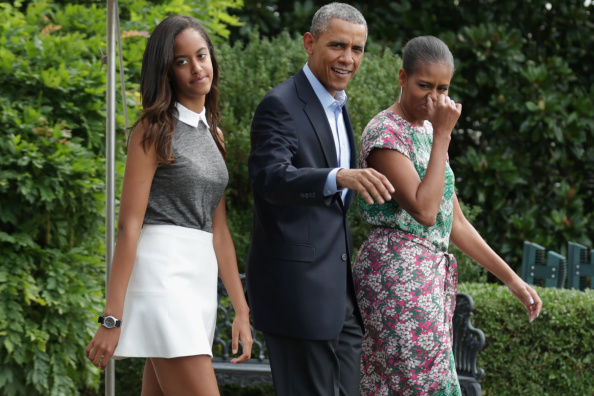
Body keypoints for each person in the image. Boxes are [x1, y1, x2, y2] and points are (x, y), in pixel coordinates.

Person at [353, 35, 543, 395]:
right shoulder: (385, 133)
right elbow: (424, 211)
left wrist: (512, 280)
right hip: (396, 276)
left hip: (429, 276)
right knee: (420, 387)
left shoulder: (427, 131)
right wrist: (443, 134)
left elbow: (452, 221)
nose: (433, 99)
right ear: (402, 78)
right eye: (423, 86)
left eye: (442, 89)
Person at [85, 15, 252, 395]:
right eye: (182, 61)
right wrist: (112, 318)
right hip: (163, 278)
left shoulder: (215, 134)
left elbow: (219, 230)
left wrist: (241, 310)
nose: (196, 68)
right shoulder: (153, 129)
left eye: (202, 55)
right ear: (167, 71)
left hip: (198, 281)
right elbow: (129, 226)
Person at [245, 3, 395, 395]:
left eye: (357, 49)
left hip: (339, 298)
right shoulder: (279, 105)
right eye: (337, 45)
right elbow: (269, 178)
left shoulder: (338, 105)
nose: (348, 58)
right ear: (310, 44)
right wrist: (338, 176)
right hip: (297, 294)